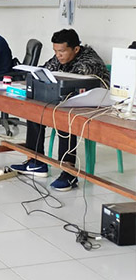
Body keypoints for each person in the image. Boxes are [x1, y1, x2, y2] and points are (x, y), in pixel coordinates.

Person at [10, 29, 110, 191]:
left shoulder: (89, 63)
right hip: (67, 101)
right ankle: (36, 162)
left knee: (64, 118)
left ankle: (68, 173)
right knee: (35, 111)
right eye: (55, 51)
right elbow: (45, 70)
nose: (58, 55)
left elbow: (70, 82)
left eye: (62, 51)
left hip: (93, 105)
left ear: (76, 49)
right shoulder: (61, 57)